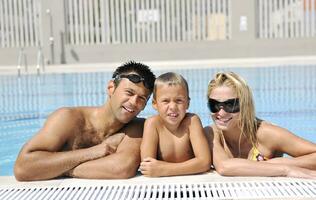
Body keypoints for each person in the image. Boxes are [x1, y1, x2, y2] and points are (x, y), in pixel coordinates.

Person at [14, 61, 156, 181]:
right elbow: (22, 168)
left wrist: (58, 168)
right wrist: (92, 152)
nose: (133, 102)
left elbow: (122, 168)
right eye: (129, 93)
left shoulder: (137, 128)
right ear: (111, 88)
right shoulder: (67, 119)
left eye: (142, 98)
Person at [204, 71, 316, 178]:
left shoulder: (267, 133)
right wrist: (285, 168)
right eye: (214, 105)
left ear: (245, 105)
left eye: (230, 105)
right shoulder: (211, 134)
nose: (221, 113)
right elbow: (224, 166)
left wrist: (285, 162)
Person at [140, 72, 211, 177]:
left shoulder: (192, 122)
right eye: (165, 101)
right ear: (155, 104)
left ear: (188, 103)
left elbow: (205, 162)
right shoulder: (152, 124)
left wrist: (164, 169)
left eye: (179, 100)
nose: (173, 106)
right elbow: (147, 166)